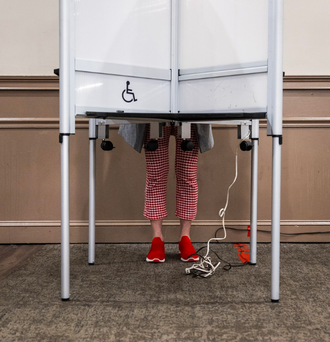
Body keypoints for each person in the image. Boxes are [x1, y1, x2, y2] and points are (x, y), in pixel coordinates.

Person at [119, 122, 214, 262]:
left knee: (188, 175)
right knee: (155, 176)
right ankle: (157, 238)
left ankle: (185, 238)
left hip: (189, 111)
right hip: (155, 108)